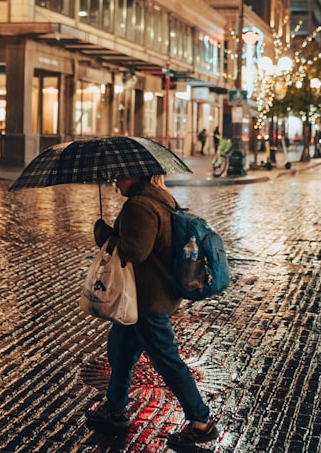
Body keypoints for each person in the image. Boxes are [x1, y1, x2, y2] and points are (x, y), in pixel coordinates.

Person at [86, 175, 218, 446]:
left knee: (167, 361)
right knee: (120, 351)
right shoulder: (161, 198)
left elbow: (135, 251)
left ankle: (201, 422)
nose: (115, 182)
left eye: (119, 177)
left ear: (133, 174)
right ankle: (114, 408)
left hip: (146, 301)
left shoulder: (139, 205)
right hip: (140, 299)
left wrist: (104, 236)